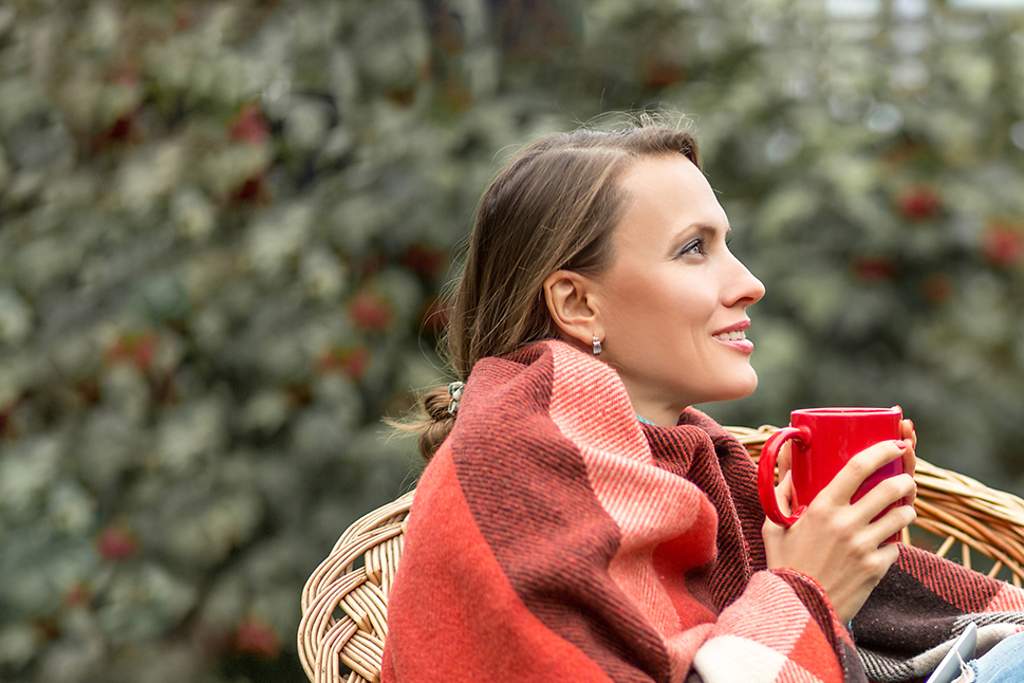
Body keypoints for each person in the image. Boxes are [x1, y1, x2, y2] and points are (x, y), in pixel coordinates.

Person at [381, 113, 1024, 682]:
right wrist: (808, 588)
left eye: (726, 245)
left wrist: (846, 554)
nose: (750, 284)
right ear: (578, 303)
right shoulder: (514, 470)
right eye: (694, 250)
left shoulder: (696, 467)